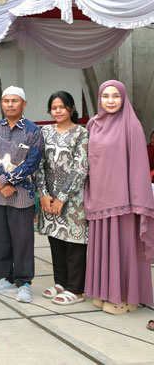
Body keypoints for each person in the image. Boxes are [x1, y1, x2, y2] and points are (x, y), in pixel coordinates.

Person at [83, 81, 154, 317]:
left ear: (123, 98)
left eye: (115, 96)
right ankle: (103, 291)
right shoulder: (93, 124)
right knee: (101, 247)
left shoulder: (131, 125)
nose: (111, 101)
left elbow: (139, 167)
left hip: (123, 201)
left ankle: (125, 297)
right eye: (105, 96)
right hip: (98, 197)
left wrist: (138, 200)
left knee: (122, 248)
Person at [0, 87, 43, 304]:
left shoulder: (33, 131)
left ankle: (24, 282)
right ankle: (4, 278)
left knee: (22, 240)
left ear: (24, 104)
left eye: (14, 101)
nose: (9, 104)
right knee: (0, 239)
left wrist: (6, 181)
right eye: (6, 101)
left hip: (22, 195)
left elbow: (32, 162)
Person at [35, 91, 89, 306]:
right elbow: (38, 164)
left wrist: (62, 198)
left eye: (62, 107)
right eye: (54, 107)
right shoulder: (45, 132)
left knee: (74, 243)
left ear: (71, 108)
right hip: (48, 197)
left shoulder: (81, 133)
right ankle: (61, 282)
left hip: (74, 200)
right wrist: (44, 195)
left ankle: (76, 289)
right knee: (55, 241)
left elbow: (80, 168)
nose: (57, 111)